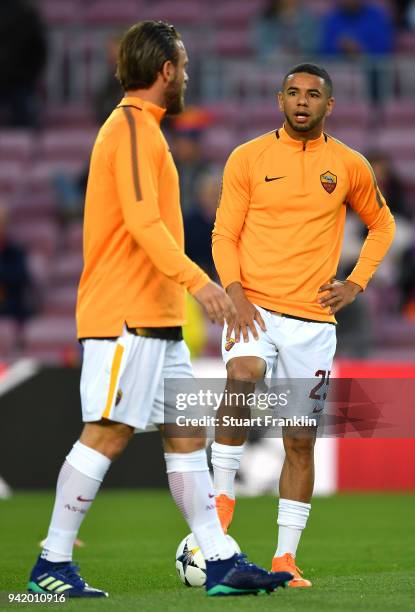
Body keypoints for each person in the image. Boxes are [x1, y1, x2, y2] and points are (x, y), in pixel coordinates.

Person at [27, 21, 292, 598]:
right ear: (166, 70)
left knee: (185, 433)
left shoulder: (142, 130)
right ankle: (51, 564)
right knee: (108, 431)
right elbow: (145, 223)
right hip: (128, 316)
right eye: (185, 65)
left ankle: (219, 560)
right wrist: (202, 283)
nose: (189, 75)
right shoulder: (129, 130)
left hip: (157, 318)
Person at [211, 63, 395, 587]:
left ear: (328, 106)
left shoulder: (349, 165)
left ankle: (285, 559)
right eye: (292, 92)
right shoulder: (248, 157)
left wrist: (356, 284)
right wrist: (235, 292)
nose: (301, 101)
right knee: (241, 377)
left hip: (313, 323)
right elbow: (225, 232)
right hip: (255, 309)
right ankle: (222, 496)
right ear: (278, 99)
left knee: (299, 440)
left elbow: (382, 224)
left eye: (313, 94)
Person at [0, 0, 47, 128]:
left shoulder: (26, 14)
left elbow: (39, 50)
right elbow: (39, 50)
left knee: (23, 124)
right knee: (23, 127)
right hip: (22, 83)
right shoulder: (27, 13)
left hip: (21, 84)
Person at [253, 0, 320, 60]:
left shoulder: (308, 18)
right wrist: (279, 53)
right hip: (272, 64)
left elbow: (311, 45)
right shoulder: (266, 18)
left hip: (301, 63)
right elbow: (262, 47)